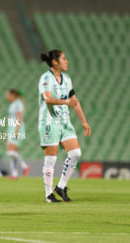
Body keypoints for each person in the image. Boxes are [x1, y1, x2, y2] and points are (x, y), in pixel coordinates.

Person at [38, 49, 91, 203]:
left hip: (65, 121)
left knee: (75, 153)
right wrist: (66, 102)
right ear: (55, 62)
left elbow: (74, 100)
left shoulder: (67, 79)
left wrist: (84, 121)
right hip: (49, 121)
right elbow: (47, 98)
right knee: (51, 159)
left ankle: (60, 187)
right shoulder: (46, 78)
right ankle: (48, 195)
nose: (66, 61)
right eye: (64, 58)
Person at [6, 88, 29, 179]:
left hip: (17, 129)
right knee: (12, 153)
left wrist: (16, 131)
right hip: (11, 129)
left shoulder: (18, 103)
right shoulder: (12, 104)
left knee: (11, 152)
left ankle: (25, 166)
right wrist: (8, 133)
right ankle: (15, 174)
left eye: (8, 95)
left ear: (13, 95)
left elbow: (19, 118)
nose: (7, 97)